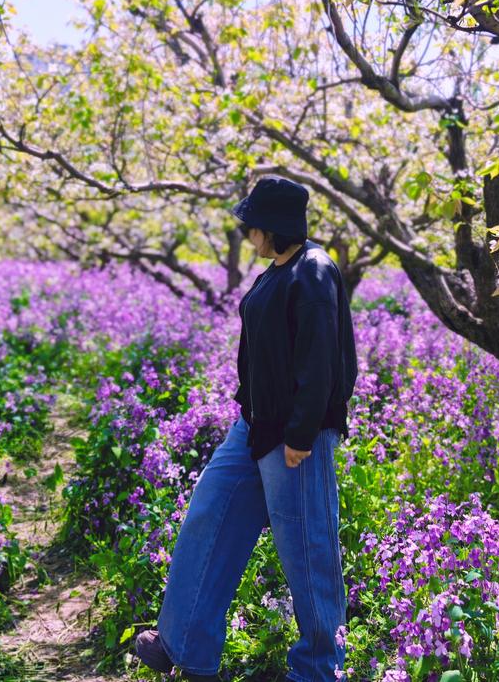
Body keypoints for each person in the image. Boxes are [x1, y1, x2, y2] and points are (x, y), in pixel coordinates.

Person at [133, 175, 358, 682]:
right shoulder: (276, 271)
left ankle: (318, 669)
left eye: (253, 224)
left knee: (308, 551)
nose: (247, 233)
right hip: (253, 427)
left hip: (294, 435)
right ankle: (186, 646)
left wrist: (301, 435)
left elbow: (323, 361)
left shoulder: (314, 271)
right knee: (209, 517)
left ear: (273, 226)